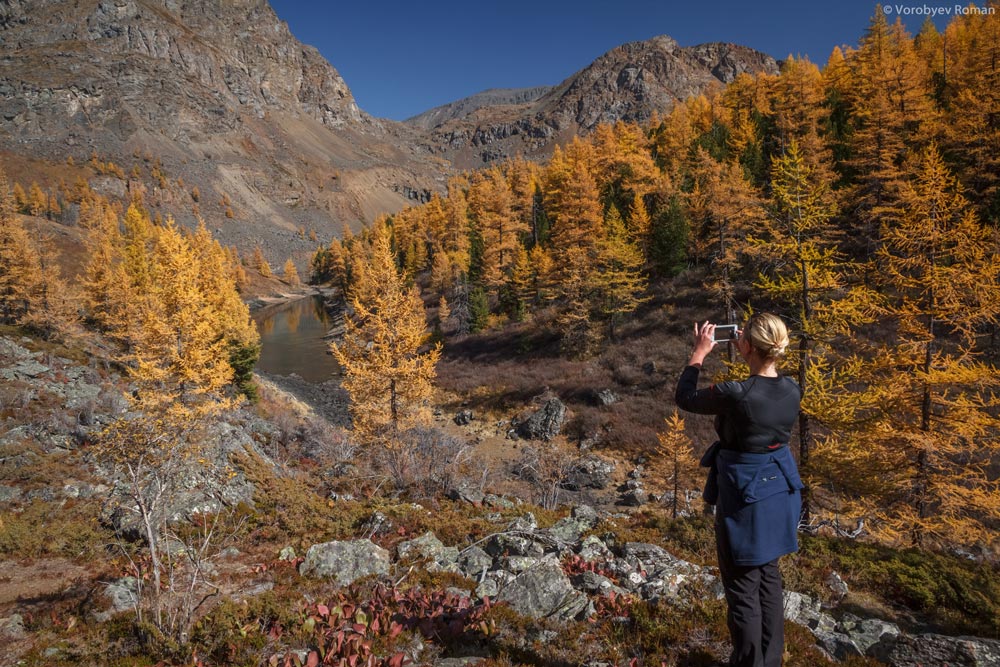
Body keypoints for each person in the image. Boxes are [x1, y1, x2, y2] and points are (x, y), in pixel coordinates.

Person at [674, 313, 804, 667]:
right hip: (781, 489)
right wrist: (749, 350)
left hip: (745, 495)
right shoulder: (793, 388)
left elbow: (685, 397)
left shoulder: (736, 393)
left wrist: (700, 352)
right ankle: (769, 660)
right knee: (768, 578)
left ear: (746, 345)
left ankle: (748, 663)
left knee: (743, 587)